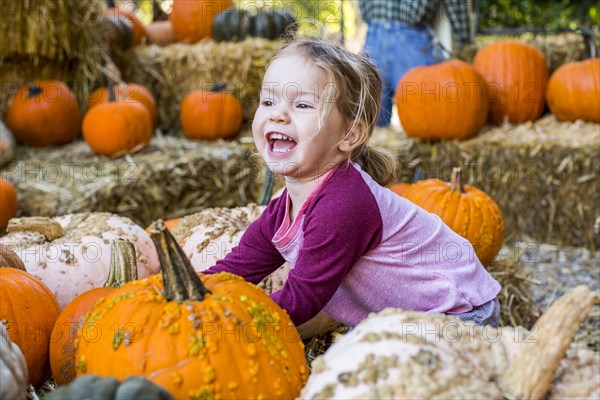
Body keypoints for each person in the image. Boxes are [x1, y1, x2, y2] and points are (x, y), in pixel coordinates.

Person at [203, 38, 500, 337]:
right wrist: (178, 299)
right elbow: (234, 270)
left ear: (349, 135)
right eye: (268, 101)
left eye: (302, 104)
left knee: (364, 373)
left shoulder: (342, 203)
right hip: (403, 320)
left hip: (456, 316)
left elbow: (300, 301)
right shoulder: (283, 209)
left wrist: (229, 324)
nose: (278, 114)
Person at [359, 0, 478, 126]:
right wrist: (465, 41)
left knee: (425, 120)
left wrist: (465, 44)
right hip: (373, 34)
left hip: (411, 36)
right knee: (373, 125)